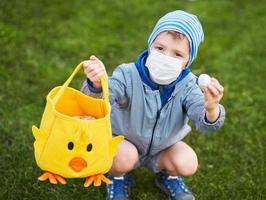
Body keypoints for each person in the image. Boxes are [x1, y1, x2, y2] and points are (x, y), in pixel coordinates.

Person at [81, 10, 225, 200]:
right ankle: (117, 177)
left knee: (187, 162)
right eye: (160, 48)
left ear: (187, 61)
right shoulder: (127, 74)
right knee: (122, 157)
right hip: (125, 143)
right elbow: (98, 102)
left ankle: (168, 176)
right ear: (150, 46)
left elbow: (205, 124)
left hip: (164, 148)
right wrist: (97, 85)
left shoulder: (189, 85)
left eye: (177, 54)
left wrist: (211, 108)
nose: (166, 57)